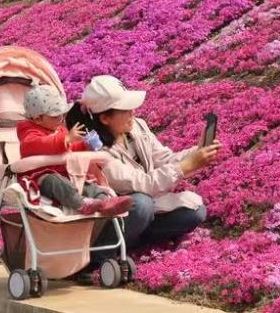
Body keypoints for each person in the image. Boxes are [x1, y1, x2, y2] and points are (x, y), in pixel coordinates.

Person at [66, 75, 220, 266]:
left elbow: (164, 159)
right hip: (114, 216)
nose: (133, 112)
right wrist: (187, 165)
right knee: (140, 204)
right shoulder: (96, 151)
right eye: (125, 109)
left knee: (195, 212)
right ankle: (99, 256)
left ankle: (131, 245)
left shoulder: (137, 126)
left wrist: (196, 152)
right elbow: (144, 184)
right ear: (105, 118)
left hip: (140, 214)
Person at [16, 83, 131, 217]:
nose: (60, 119)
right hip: (42, 178)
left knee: (87, 185)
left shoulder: (59, 129)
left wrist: (83, 146)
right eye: (55, 116)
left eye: (62, 114)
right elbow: (37, 144)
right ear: (37, 119)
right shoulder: (29, 134)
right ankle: (81, 204)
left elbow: (70, 148)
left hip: (67, 174)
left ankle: (107, 202)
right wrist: (65, 139)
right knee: (55, 182)